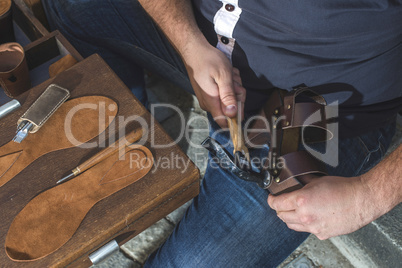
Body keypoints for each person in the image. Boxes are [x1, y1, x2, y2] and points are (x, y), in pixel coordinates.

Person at [42, 0, 401, 266]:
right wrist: (189, 44)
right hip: (203, 42)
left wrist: (369, 196)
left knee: (191, 263)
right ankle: (128, 151)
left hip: (321, 109)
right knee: (77, 6)